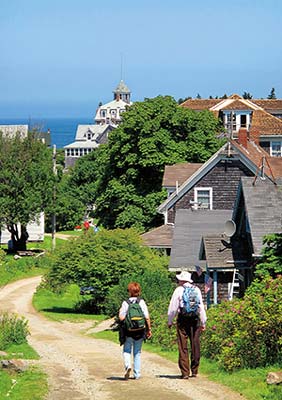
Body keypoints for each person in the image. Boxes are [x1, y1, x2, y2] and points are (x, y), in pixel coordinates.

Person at [167, 271, 207, 379]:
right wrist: (203, 322)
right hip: (195, 319)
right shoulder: (196, 289)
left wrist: (170, 321)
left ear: (182, 280)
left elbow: (173, 308)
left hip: (183, 320)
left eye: (179, 279)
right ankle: (194, 370)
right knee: (195, 344)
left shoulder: (178, 290)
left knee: (183, 346)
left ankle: (185, 372)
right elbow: (200, 307)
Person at [119, 282, 152, 380]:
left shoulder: (125, 303)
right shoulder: (141, 302)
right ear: (139, 291)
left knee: (127, 350)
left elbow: (121, 318)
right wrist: (149, 329)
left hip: (128, 331)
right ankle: (137, 374)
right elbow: (146, 317)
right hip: (140, 330)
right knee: (137, 352)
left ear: (129, 291)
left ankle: (128, 365)